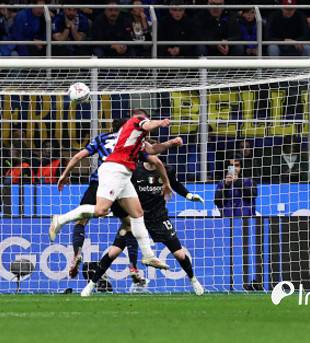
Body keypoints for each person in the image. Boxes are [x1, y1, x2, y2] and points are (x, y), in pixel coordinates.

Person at [50, 109, 185, 270]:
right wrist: (161, 122)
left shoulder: (135, 137)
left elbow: (152, 150)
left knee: (137, 213)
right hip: (115, 169)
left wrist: (171, 143)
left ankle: (148, 256)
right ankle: (60, 219)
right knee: (101, 210)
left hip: (124, 173)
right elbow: (148, 125)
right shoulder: (137, 121)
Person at [80, 157, 205, 297]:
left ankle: (193, 280)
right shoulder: (135, 170)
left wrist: (189, 195)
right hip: (136, 217)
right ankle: (91, 285)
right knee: (113, 252)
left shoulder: (166, 170)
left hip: (158, 217)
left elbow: (174, 184)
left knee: (180, 254)